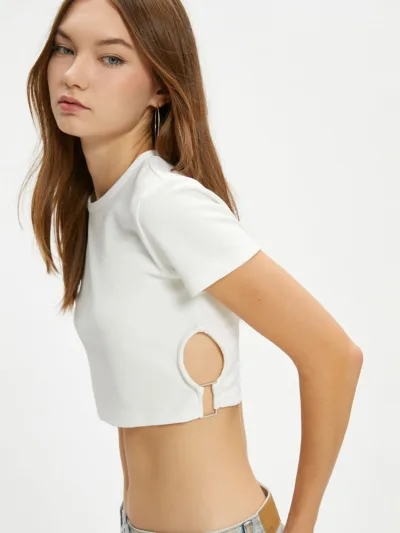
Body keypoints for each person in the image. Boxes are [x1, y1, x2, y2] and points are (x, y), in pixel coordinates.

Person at [19, 1, 363, 532]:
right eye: (64, 48)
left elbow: (334, 357)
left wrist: (301, 526)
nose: (73, 74)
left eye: (111, 58)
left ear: (161, 87)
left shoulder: (163, 203)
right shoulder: (105, 206)